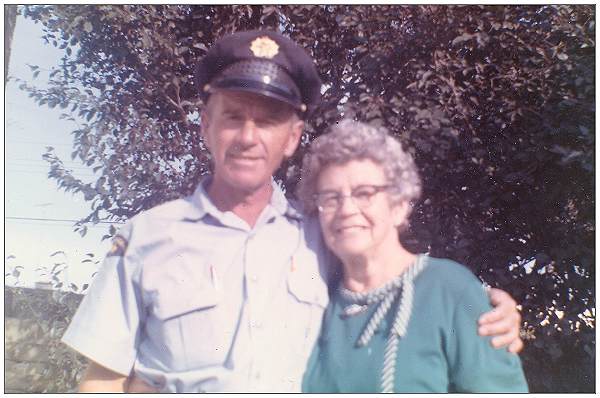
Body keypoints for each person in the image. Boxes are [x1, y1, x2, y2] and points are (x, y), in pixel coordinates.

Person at [61, 30, 523, 393]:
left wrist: (485, 307)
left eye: (267, 121)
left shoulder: (319, 235)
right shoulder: (146, 236)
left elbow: (394, 276)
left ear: (293, 137)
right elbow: (102, 380)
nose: (248, 136)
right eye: (233, 116)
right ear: (205, 125)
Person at [297, 119, 528, 392]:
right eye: (331, 198)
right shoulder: (315, 305)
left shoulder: (451, 291)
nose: (346, 209)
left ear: (398, 207)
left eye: (364, 193)